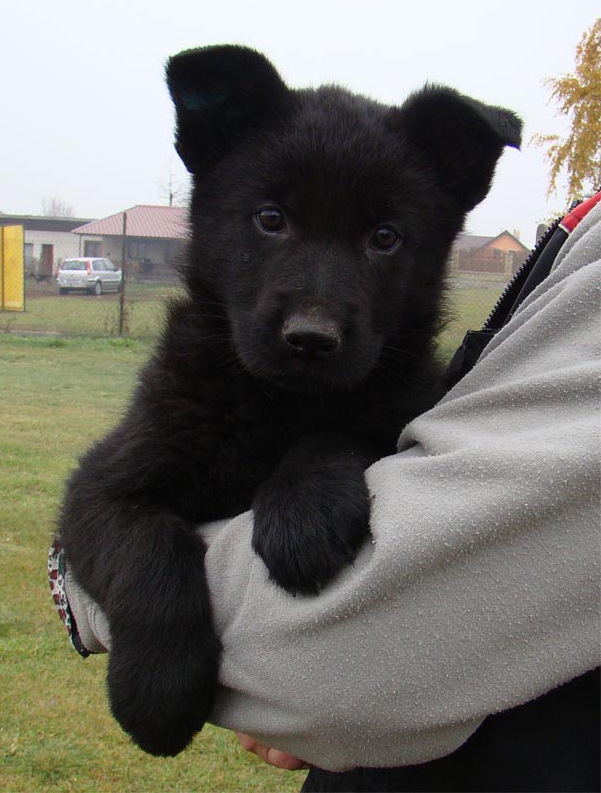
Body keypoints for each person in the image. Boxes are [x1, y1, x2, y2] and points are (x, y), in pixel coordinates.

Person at [55, 199, 600, 791]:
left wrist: (336, 456)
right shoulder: (194, 383)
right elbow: (108, 497)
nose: (315, 310)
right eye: (270, 221)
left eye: (384, 237)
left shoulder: (393, 394)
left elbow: (341, 664)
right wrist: (153, 605)